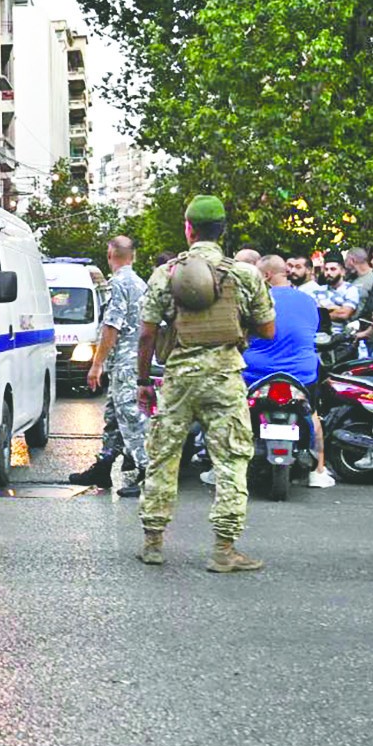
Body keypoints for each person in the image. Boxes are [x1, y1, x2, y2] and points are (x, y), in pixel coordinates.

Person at [136, 196, 275, 572]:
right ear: (223, 231)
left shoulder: (166, 273)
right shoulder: (245, 274)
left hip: (178, 378)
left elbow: (147, 334)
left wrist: (144, 380)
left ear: (188, 228)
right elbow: (268, 328)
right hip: (224, 377)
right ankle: (224, 550)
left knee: (163, 456)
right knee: (230, 460)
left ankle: (153, 542)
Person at [243, 255, 334, 489]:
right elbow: (312, 332)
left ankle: (218, 468)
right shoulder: (307, 301)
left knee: (233, 413)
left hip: (255, 372)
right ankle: (319, 471)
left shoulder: (255, 299)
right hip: (302, 373)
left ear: (265, 275)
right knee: (312, 414)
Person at [82, 236, 150, 498]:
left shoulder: (119, 283)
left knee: (131, 418)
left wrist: (96, 365)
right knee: (113, 418)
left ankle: (146, 473)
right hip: (133, 360)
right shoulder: (139, 283)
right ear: (132, 256)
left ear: (110, 255)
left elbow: (112, 326)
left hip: (125, 362)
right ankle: (103, 466)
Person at [315, 251, 360, 336]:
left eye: (333, 269)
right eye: (326, 269)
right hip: (319, 337)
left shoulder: (351, 290)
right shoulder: (317, 290)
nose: (328, 273)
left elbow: (344, 314)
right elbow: (309, 314)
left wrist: (321, 313)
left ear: (343, 271)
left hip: (341, 339)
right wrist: (335, 308)